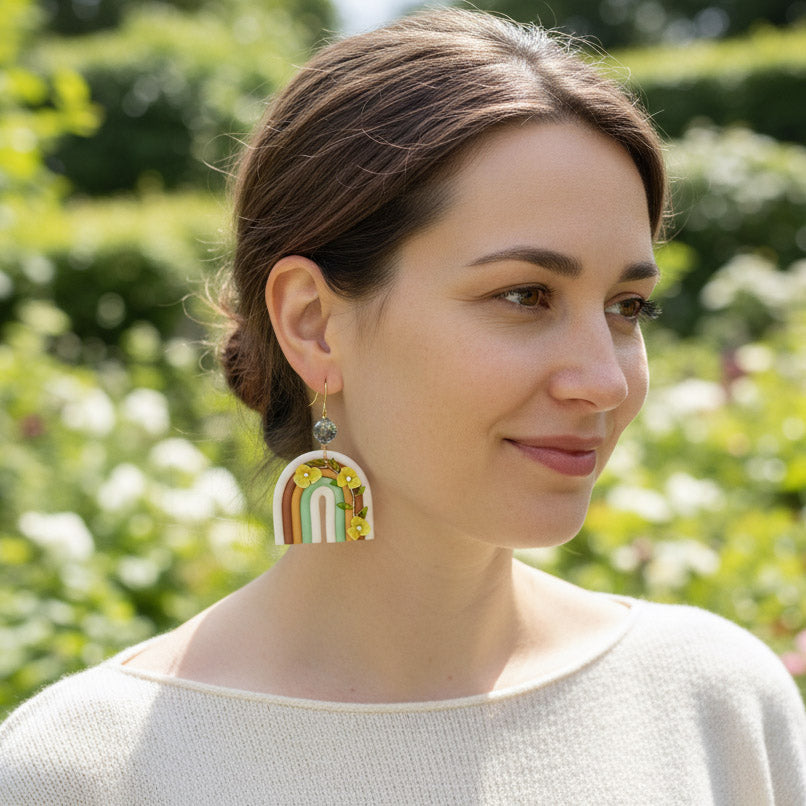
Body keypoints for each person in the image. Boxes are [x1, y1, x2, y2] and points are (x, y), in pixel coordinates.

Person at [1, 8, 804, 805]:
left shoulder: (716, 706)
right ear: (313, 324)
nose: (605, 380)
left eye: (627, 307)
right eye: (524, 296)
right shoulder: (84, 773)